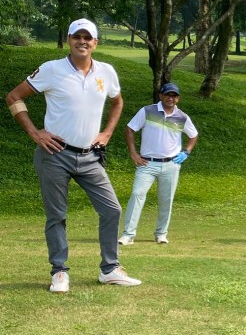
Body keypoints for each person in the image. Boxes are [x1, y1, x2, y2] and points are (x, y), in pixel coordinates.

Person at [5, 18, 141, 292]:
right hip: (55, 154)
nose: (82, 41)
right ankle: (59, 272)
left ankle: (110, 269)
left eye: (87, 37)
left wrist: (107, 133)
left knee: (112, 209)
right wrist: (35, 133)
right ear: (69, 40)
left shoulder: (106, 72)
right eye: (77, 36)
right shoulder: (52, 70)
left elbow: (117, 102)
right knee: (57, 215)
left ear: (95, 43)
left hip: (90, 156)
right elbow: (13, 97)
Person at [118, 82, 199, 246]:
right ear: (161, 96)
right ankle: (128, 234)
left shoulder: (182, 117)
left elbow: (193, 135)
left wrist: (186, 152)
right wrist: (133, 153)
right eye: (168, 95)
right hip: (147, 163)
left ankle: (161, 234)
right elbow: (130, 129)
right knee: (137, 194)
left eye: (174, 96)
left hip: (171, 164)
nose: (171, 98)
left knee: (166, 199)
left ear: (178, 98)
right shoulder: (147, 111)